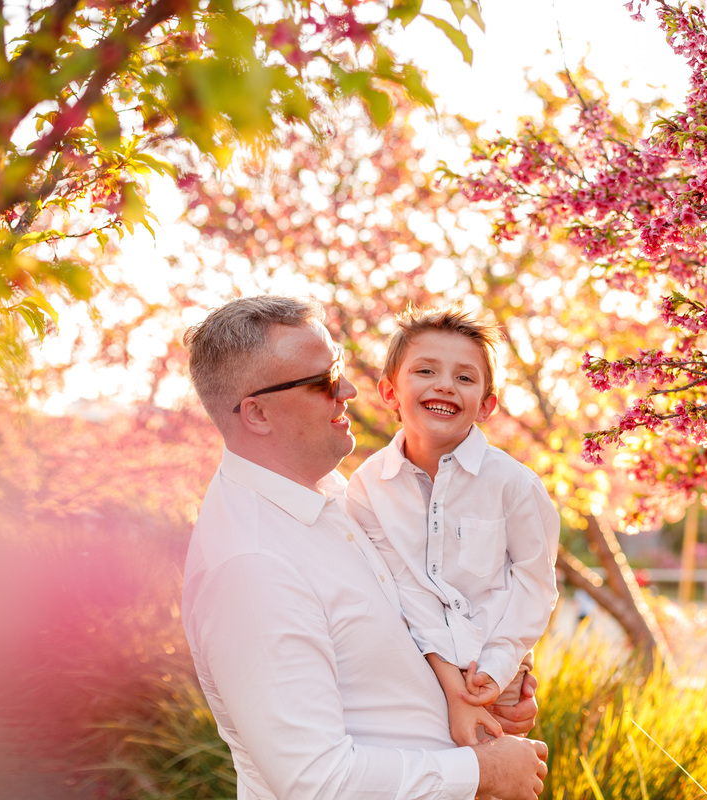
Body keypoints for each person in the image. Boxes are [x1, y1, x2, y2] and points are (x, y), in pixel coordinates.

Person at [180, 296, 549, 800]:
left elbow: (425, 608)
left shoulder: (340, 494)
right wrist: (481, 772)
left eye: (339, 369)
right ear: (257, 413)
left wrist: (496, 679)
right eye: (324, 381)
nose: (349, 390)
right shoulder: (252, 570)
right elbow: (316, 782)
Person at [346, 307, 560, 747]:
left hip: (497, 672)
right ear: (390, 391)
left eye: (465, 378)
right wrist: (452, 685)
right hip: (417, 666)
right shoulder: (367, 486)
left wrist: (499, 668)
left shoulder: (514, 484)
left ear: (486, 405)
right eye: (425, 370)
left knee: (496, 778)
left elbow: (535, 584)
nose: (445, 384)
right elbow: (402, 587)